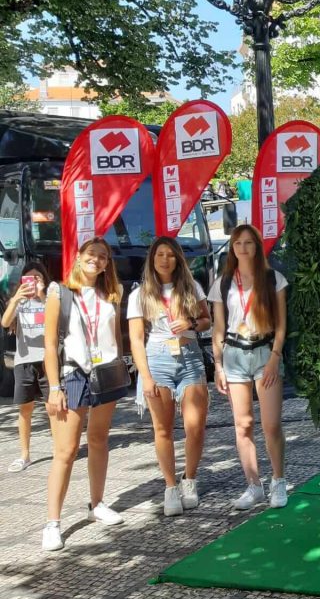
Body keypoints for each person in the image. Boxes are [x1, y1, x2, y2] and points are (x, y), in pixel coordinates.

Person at [42, 238, 129, 551]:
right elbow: (50, 344)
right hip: (72, 373)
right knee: (65, 451)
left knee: (99, 441)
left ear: (107, 264)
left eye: (103, 257)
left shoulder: (111, 294)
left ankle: (97, 505)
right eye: (92, 254)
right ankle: (52, 522)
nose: (97, 260)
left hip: (105, 371)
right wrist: (54, 388)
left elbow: (113, 338)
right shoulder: (60, 292)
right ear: (79, 257)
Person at [128, 237, 212, 517]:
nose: (165, 259)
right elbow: (137, 340)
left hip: (190, 358)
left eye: (170, 255)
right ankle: (170, 486)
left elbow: (206, 320)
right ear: (152, 259)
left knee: (195, 426)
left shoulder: (191, 286)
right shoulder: (139, 294)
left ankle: (190, 479)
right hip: (157, 361)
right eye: (160, 254)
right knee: (162, 429)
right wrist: (146, 376)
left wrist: (189, 322)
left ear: (178, 259)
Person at [210, 224, 289, 511]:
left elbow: (281, 325)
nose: (243, 248)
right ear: (232, 248)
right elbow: (218, 328)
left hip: (264, 351)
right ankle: (253, 485)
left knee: (271, 424)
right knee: (243, 424)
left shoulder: (273, 279)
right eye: (238, 243)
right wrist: (218, 365)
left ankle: (278, 481)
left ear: (257, 246)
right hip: (234, 354)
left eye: (248, 242)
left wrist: (274, 357)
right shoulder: (223, 282)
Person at [2, 263, 51, 472]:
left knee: (54, 409)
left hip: (47, 360)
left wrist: (41, 296)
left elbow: (56, 322)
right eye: (29, 278)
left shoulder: (49, 300)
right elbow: (5, 323)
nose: (33, 281)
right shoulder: (19, 302)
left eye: (37, 277)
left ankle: (60, 451)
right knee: (25, 408)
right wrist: (15, 299)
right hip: (24, 360)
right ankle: (25, 454)